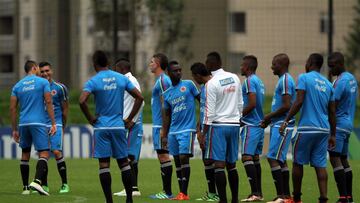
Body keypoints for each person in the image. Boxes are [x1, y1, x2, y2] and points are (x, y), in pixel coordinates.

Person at [79, 50, 144, 203]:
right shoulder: (121, 78)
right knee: (123, 163)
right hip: (118, 126)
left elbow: (82, 101)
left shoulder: (93, 81)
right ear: (108, 63)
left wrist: (90, 118)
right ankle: (129, 199)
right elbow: (140, 97)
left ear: (94, 64)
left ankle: (109, 201)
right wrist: (128, 118)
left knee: (104, 165)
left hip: (101, 127)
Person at [279, 53, 336, 203]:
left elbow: (298, 102)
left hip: (307, 129)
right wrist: (333, 135)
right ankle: (323, 198)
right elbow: (332, 112)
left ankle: (296, 198)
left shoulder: (304, 78)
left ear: (310, 62)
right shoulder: (329, 84)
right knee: (320, 165)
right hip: (324, 130)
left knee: (298, 162)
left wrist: (285, 120)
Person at [10, 60, 57, 196]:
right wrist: (53, 123)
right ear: (35, 68)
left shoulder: (17, 86)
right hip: (39, 123)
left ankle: (25, 188)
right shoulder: (43, 82)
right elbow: (48, 101)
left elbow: (13, 108)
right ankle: (37, 181)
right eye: (38, 69)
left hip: (23, 123)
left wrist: (14, 129)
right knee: (44, 153)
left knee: (25, 154)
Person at [202, 52, 243, 203]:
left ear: (212, 64)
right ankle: (235, 199)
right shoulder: (235, 78)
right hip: (234, 125)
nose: (206, 66)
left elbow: (209, 112)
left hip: (218, 126)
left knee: (219, 165)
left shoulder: (211, 83)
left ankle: (223, 200)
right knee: (231, 164)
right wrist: (237, 120)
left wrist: (203, 133)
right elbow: (240, 104)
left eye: (207, 63)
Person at [162, 61, 200, 200]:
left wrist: (201, 121)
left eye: (180, 70)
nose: (178, 72)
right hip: (173, 131)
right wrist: (164, 135)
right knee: (177, 160)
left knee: (184, 158)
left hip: (187, 129)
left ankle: (184, 192)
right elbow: (166, 116)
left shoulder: (189, 85)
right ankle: (181, 193)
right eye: (175, 71)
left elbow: (202, 101)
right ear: (168, 73)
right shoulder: (167, 94)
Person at [260, 54, 295, 203]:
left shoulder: (286, 80)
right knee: (281, 160)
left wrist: (269, 116)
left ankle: (282, 196)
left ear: (281, 64)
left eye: (274, 64)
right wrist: (270, 121)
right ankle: (286, 196)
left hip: (283, 125)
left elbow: (287, 106)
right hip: (278, 123)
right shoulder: (283, 80)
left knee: (272, 158)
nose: (271, 67)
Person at [327, 52, 358, 203]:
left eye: (332, 66)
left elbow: (333, 106)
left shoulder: (340, 82)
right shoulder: (352, 78)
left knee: (334, 159)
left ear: (340, 64)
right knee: (344, 159)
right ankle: (349, 197)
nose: (330, 70)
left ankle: (343, 198)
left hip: (338, 124)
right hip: (348, 124)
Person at [112, 58, 144, 197]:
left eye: (116, 69)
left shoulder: (130, 81)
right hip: (127, 124)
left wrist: (131, 120)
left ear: (120, 68)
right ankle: (133, 188)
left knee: (127, 157)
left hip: (131, 125)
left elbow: (140, 101)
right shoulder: (126, 80)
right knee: (130, 157)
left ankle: (130, 188)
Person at [39, 61, 70, 194]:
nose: (45, 73)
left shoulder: (60, 88)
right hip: (41, 125)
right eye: (42, 71)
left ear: (51, 71)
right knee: (43, 155)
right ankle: (44, 185)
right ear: (39, 73)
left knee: (56, 152)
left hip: (55, 123)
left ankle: (64, 184)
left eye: (47, 71)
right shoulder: (37, 88)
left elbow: (65, 109)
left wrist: (63, 126)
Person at [190, 62, 219, 202]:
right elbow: (203, 109)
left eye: (194, 77)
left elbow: (212, 111)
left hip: (212, 128)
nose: (194, 80)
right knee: (206, 160)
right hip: (203, 127)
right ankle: (212, 193)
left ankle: (215, 194)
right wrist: (198, 126)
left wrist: (203, 132)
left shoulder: (212, 86)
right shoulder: (203, 87)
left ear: (197, 75)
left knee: (212, 160)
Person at [240, 55, 265, 202]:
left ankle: (254, 193)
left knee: (246, 157)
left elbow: (252, 103)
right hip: (259, 125)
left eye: (242, 65)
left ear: (248, 67)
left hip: (251, 125)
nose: (241, 67)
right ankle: (258, 193)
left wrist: (239, 118)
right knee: (255, 159)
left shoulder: (249, 81)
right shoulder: (259, 81)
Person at [148, 53, 174, 199]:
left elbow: (167, 104)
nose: (150, 64)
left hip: (160, 126)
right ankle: (167, 191)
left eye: (152, 61)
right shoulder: (161, 80)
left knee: (164, 156)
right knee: (162, 156)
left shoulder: (164, 80)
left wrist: (165, 128)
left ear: (157, 64)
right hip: (158, 125)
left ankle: (167, 192)